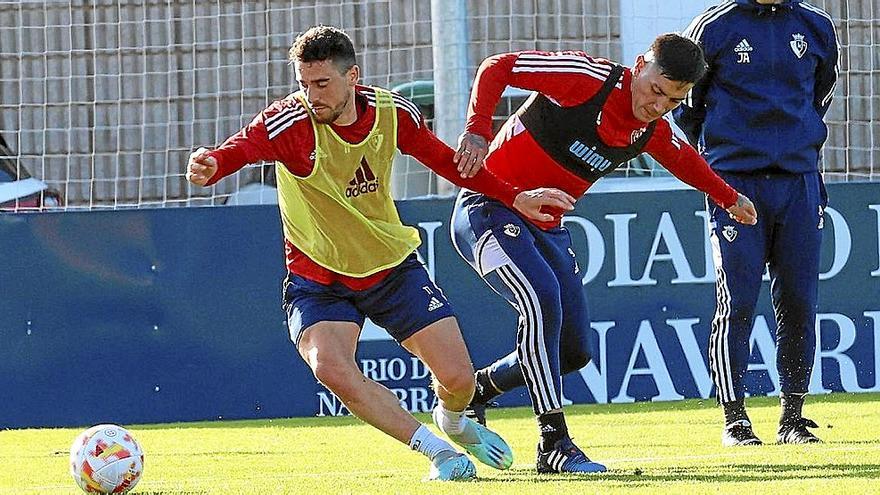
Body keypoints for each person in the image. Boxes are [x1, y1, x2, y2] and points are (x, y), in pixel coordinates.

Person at [186, 25, 575, 481]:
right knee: (330, 367)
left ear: (353, 77)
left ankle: (451, 421)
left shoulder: (394, 114)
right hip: (318, 278)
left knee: (459, 382)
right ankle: (439, 453)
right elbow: (239, 149)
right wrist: (211, 163)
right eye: (303, 84)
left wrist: (514, 197)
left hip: (391, 269)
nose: (311, 96)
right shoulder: (288, 123)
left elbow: (449, 164)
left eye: (322, 84)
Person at [450, 33, 758, 473]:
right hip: (488, 209)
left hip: (547, 228)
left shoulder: (649, 129)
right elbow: (496, 66)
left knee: (572, 352)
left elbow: (683, 160)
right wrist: (477, 132)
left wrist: (730, 199)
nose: (658, 106)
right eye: (656, 90)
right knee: (541, 301)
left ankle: (478, 390)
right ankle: (554, 443)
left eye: (673, 102)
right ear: (639, 64)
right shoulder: (586, 80)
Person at [674, 0, 839, 446]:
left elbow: (819, 96)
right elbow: (687, 106)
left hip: (799, 183)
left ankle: (793, 417)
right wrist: (725, 157)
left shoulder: (817, 26)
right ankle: (735, 420)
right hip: (736, 184)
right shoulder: (714, 26)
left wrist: (791, 145)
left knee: (800, 300)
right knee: (739, 302)